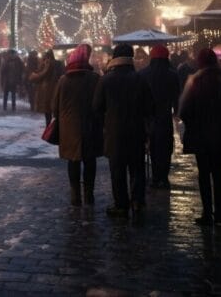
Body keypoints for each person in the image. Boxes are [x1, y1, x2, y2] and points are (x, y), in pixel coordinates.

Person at [179, 48, 221, 226]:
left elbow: (185, 111)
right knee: (218, 173)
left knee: (204, 175)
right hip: (220, 137)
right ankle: (219, 213)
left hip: (200, 137)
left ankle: (207, 212)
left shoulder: (195, 82)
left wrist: (193, 125)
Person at [93, 44, 154, 217]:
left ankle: (121, 204)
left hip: (115, 133)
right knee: (137, 169)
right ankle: (137, 202)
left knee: (117, 170)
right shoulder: (139, 79)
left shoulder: (105, 80)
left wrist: (106, 121)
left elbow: (96, 107)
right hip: (136, 131)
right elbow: (150, 107)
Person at [52, 44, 102, 206]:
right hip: (90, 126)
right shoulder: (95, 79)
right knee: (90, 161)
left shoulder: (63, 80)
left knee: (73, 161)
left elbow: (54, 106)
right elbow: (100, 104)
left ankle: (75, 194)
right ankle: (89, 194)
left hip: (69, 129)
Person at [138, 44, 181, 189]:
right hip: (164, 115)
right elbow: (176, 96)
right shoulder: (172, 74)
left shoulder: (143, 74)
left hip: (148, 116)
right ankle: (163, 176)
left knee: (153, 146)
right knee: (166, 146)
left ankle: (156, 177)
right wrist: (176, 111)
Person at [29, 49, 62, 126]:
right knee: (54, 111)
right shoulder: (59, 64)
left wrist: (35, 75)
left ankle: (49, 129)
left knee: (48, 112)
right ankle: (53, 128)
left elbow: (38, 76)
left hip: (47, 91)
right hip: (56, 89)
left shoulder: (47, 64)